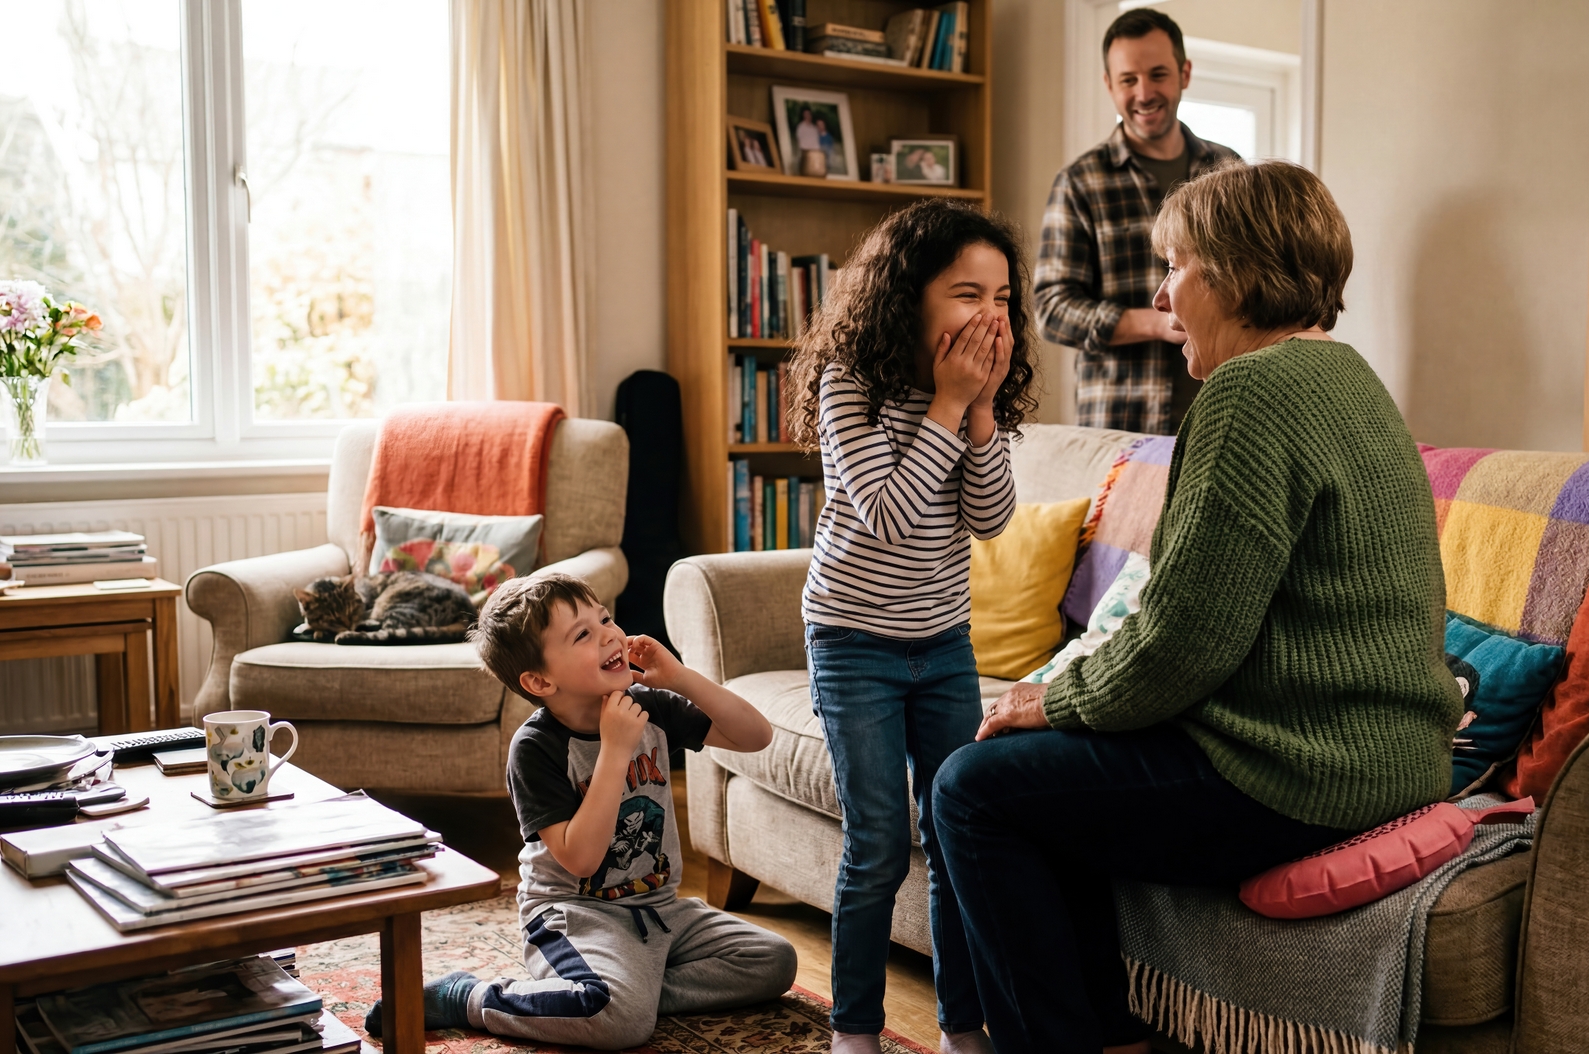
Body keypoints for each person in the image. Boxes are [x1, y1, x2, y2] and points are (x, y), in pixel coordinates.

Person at [932, 162, 1461, 1054]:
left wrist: (1045, 699)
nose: (1162, 290)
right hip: (1395, 758)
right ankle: (1110, 1038)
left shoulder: (1249, 396)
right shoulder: (1354, 382)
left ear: (1232, 270)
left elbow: (1178, 647)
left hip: (1303, 772)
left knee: (972, 788)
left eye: (1173, 264)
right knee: (1051, 777)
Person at [780, 198, 1037, 1054]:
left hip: (944, 644)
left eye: (1002, 299)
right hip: (853, 643)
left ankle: (963, 1027)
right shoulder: (851, 381)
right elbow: (886, 516)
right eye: (968, 294)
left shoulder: (971, 394)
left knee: (957, 836)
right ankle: (854, 1030)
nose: (990, 316)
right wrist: (946, 403)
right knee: (880, 843)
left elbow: (990, 517)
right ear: (909, 295)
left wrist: (980, 411)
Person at [360, 573, 796, 1047]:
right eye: (583, 634)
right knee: (621, 1024)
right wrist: (614, 751)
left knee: (773, 960)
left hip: (657, 908)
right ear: (540, 680)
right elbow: (581, 859)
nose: (610, 633)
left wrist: (681, 678)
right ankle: (469, 996)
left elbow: (756, 736)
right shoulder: (535, 748)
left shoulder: (647, 705)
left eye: (605, 618)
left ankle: (623, 997)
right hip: (574, 912)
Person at [1037, 7, 1240, 434]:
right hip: (1119, 422)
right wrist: (1161, 320)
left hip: (1223, 410)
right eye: (1128, 79)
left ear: (1184, 73)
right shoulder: (1079, 181)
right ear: (1110, 85)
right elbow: (1052, 309)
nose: (1144, 92)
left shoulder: (1229, 170)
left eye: (1158, 74)